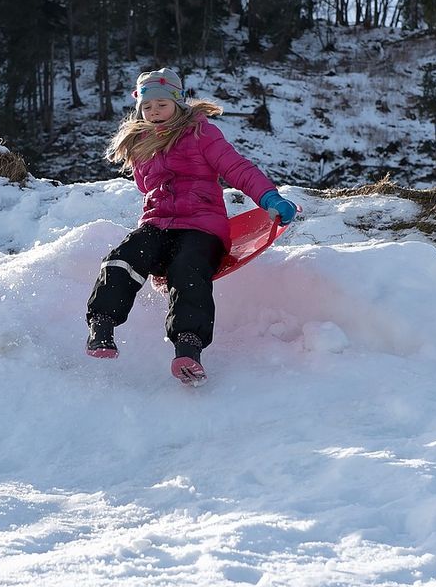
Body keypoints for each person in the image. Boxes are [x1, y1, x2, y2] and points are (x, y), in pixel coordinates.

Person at [84, 67, 298, 385]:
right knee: (125, 256)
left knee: (188, 269)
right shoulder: (141, 143)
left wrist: (269, 198)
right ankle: (102, 325)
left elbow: (237, 168)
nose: (154, 112)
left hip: (202, 229)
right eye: (147, 107)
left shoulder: (201, 133)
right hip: (158, 226)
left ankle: (188, 350)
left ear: (179, 103)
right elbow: (147, 189)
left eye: (161, 105)